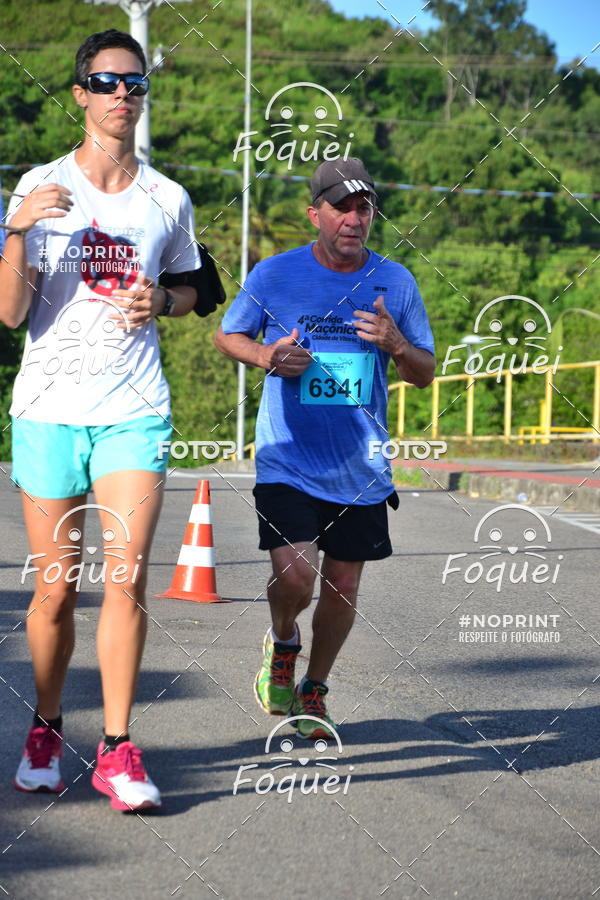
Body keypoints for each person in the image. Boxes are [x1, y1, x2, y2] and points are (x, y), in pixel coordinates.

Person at [0, 29, 203, 810]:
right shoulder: (39, 185)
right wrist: (18, 227)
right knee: (55, 589)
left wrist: (166, 299)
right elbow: (11, 313)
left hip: (133, 407)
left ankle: (118, 750)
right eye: (107, 81)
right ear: (79, 93)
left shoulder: (167, 199)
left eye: (135, 83)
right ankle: (48, 727)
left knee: (126, 578)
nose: (123, 94)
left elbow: (187, 286)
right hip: (49, 408)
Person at [214, 158, 436, 739]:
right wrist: (266, 357)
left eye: (364, 208)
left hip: (360, 465)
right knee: (296, 578)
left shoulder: (397, 281)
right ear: (316, 213)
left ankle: (314, 688)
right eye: (341, 207)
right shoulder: (274, 275)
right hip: (287, 454)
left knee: (345, 585)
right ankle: (283, 641)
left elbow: (425, 372)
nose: (354, 219)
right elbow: (228, 333)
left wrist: (397, 343)